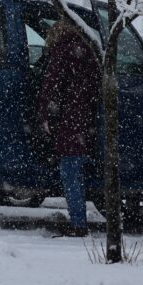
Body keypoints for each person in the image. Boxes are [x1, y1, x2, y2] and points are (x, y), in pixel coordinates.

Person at [38, 18, 101, 237]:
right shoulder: (87, 51)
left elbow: (51, 86)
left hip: (70, 122)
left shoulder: (63, 52)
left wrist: (46, 116)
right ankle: (79, 220)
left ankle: (78, 224)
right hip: (86, 121)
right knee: (77, 171)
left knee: (70, 172)